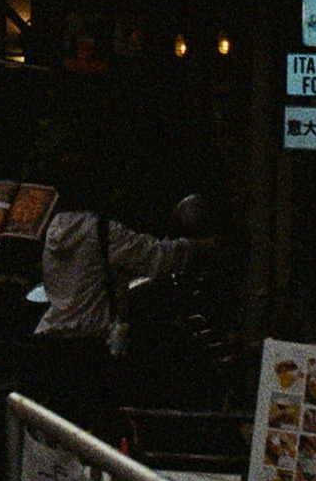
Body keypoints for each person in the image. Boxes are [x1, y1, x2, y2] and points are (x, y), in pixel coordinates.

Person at [31, 150, 203, 428]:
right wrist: (197, 247)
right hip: (90, 349)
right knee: (101, 427)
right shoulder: (101, 231)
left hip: (53, 343)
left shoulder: (52, 229)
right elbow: (154, 257)